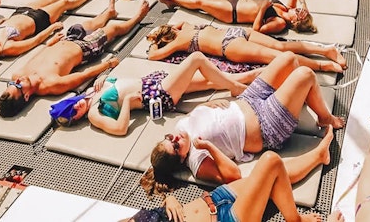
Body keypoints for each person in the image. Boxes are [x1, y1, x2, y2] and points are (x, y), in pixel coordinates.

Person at [141, 52, 345, 195]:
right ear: (181, 158)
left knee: (289, 59)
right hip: (267, 126)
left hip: (249, 99)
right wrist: (208, 146)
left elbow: (196, 118)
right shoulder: (197, 162)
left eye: (168, 138)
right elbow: (233, 175)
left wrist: (208, 104)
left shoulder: (180, 130)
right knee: (305, 75)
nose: (175, 138)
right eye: (175, 146)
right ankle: (324, 117)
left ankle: (294, 96)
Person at [0, 0, 151, 117]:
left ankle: (109, 13)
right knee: (113, 28)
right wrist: (107, 65)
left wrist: (49, 44)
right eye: (17, 86)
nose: (17, 80)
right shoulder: (51, 85)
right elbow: (82, 75)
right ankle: (138, 17)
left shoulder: (18, 75)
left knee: (89, 24)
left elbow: (35, 58)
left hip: (65, 40)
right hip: (86, 48)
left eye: (12, 83)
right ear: (27, 96)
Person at [49, 51, 259, 134]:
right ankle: (236, 88)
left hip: (155, 82)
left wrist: (103, 78)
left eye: (71, 107)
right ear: (77, 119)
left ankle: (257, 75)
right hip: (158, 94)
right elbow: (120, 129)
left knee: (209, 81)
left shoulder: (89, 93)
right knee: (196, 59)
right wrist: (130, 102)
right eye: (73, 115)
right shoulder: (94, 114)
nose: (76, 108)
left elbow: (111, 83)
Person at [126, 151, 323, 222]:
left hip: (215, 199)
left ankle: (320, 155)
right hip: (227, 219)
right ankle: (295, 220)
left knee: (272, 177)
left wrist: (169, 199)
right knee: (271, 161)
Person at [0, 0, 102, 75]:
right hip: (38, 20)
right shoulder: (7, 48)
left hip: (20, 13)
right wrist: (52, 28)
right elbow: (35, 41)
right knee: (64, 4)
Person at [145, 22, 346, 72]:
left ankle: (322, 66)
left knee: (276, 56)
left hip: (229, 46)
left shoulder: (179, 42)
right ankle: (326, 50)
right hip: (235, 32)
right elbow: (177, 23)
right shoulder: (187, 26)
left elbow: (153, 56)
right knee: (280, 46)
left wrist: (154, 41)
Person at [156, 0, 317, 35]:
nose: (299, 12)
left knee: (199, 3)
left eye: (301, 15)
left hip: (232, 12)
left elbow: (257, 30)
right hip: (236, 0)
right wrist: (305, 5)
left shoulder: (280, 23)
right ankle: (174, 4)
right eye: (302, 12)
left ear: (296, 22)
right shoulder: (288, 7)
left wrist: (262, 9)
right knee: (203, 0)